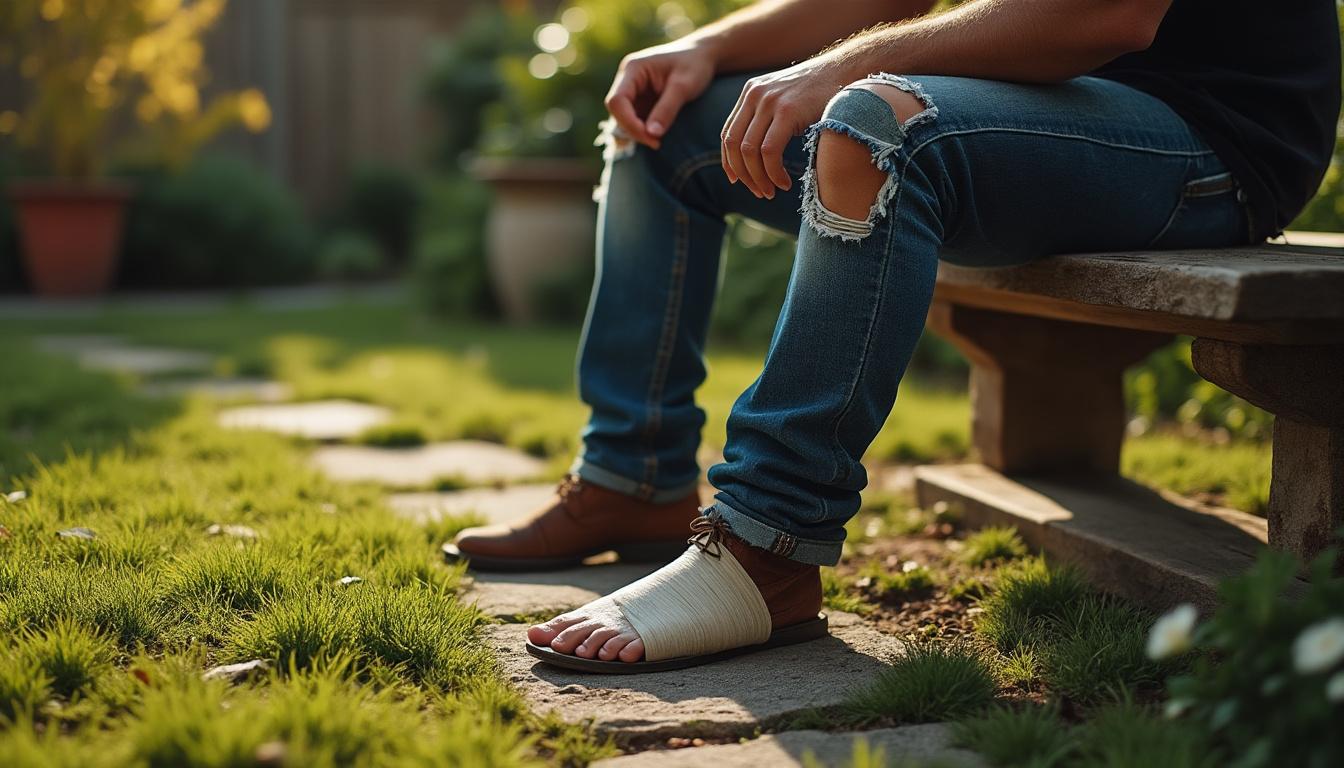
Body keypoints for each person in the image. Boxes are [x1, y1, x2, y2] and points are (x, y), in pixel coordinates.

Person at [445, 0, 1341, 671]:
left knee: (879, 122)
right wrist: (706, 46)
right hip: (1044, 110)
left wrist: (837, 75)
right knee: (657, 119)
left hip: (1211, 147)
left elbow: (1101, 12)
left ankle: (769, 546)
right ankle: (631, 478)